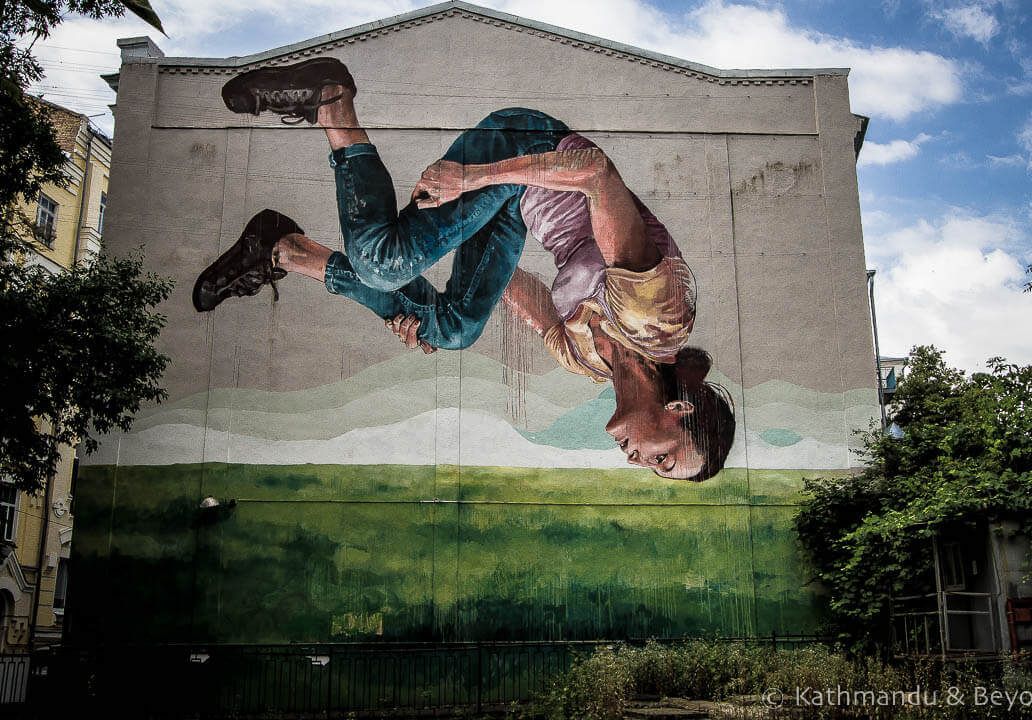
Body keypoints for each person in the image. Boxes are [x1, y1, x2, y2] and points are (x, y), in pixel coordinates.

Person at [193, 57, 735, 480]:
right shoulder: (658, 316)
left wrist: (426, 314)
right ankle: (333, 101)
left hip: (516, 206)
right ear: (680, 411)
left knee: (452, 329)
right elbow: (594, 172)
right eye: (663, 459)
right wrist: (472, 179)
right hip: (533, 150)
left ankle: (282, 249)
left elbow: (511, 288)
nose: (637, 463)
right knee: (384, 262)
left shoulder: (587, 362)